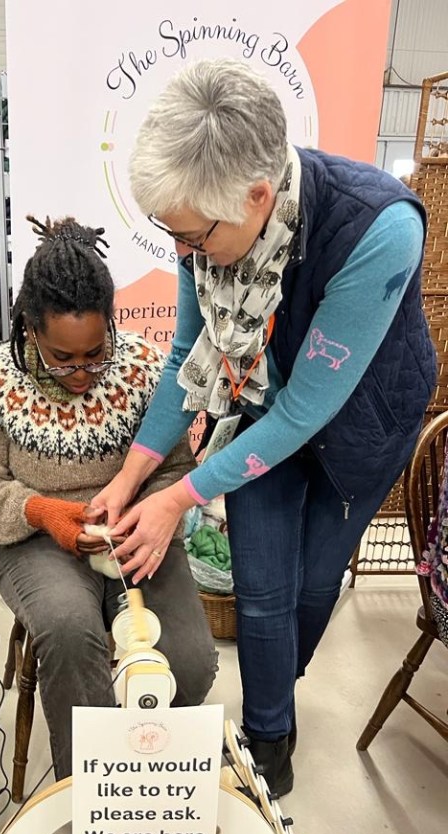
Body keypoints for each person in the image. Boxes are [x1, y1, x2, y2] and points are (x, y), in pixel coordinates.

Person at [92, 60, 437, 796]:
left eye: (193, 236)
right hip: (259, 410)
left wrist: (178, 496)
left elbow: (306, 413)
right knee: (262, 590)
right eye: (171, 234)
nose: (184, 252)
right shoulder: (206, 222)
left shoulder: (379, 228)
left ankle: (279, 695)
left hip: (360, 425)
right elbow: (187, 357)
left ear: (257, 196)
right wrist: (129, 477)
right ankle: (269, 741)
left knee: (312, 590)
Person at [0, 216, 217, 781]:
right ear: (30, 330)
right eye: (62, 358)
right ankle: (93, 791)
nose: (81, 373)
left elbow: (175, 469)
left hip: (134, 535)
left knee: (191, 661)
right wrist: (43, 511)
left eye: (96, 354)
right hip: (35, 542)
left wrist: (146, 514)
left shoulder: (146, 370)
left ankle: (152, 780)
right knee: (71, 634)